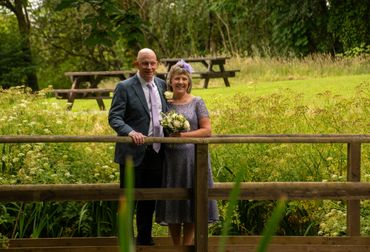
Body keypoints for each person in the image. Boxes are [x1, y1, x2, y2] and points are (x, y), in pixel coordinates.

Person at [155, 60, 219, 245]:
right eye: (177, 79)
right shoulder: (166, 104)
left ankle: (188, 244)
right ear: (170, 81)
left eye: (184, 79)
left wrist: (183, 134)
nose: (180, 82)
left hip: (193, 158)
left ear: (189, 82)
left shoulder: (197, 102)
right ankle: (176, 245)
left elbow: (207, 130)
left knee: (192, 199)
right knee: (173, 200)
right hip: (171, 160)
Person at [108, 48, 167, 246]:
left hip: (157, 151)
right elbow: (114, 117)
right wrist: (129, 132)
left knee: (149, 199)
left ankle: (144, 238)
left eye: (152, 63)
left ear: (157, 63)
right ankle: (126, 240)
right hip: (132, 153)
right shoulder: (124, 87)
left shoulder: (162, 85)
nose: (149, 67)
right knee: (129, 199)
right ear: (137, 64)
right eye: (145, 63)